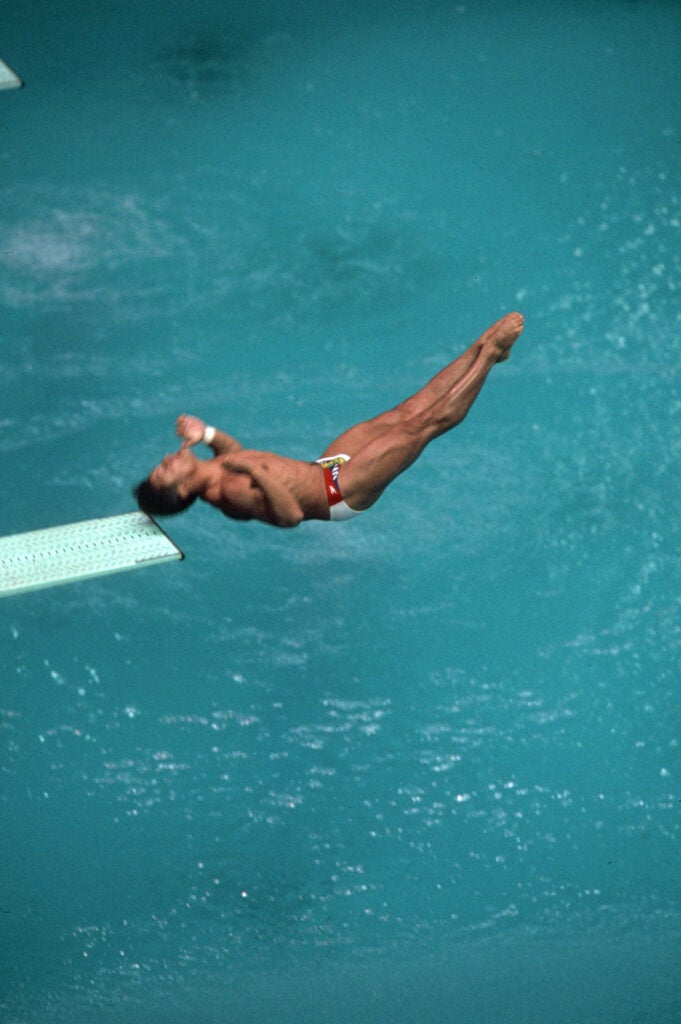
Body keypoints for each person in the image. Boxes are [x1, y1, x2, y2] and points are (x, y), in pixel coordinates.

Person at [134, 311, 524, 527]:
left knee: (403, 413)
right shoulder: (228, 494)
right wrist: (259, 475)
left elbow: (237, 454)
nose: (166, 460)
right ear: (183, 492)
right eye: (164, 473)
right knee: (422, 426)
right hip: (339, 492)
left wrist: (209, 433)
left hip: (326, 469)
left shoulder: (216, 469)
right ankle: (490, 354)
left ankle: (479, 348)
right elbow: (290, 517)